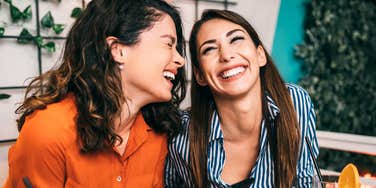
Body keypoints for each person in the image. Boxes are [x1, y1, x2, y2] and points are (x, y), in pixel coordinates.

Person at [5, 0, 186, 187]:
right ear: (118, 50)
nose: (180, 60)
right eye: (168, 44)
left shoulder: (158, 133)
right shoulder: (48, 131)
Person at [165, 9, 319, 188]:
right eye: (209, 49)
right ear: (200, 76)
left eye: (236, 39)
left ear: (260, 55)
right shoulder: (181, 134)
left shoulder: (295, 103)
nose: (226, 55)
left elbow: (305, 182)